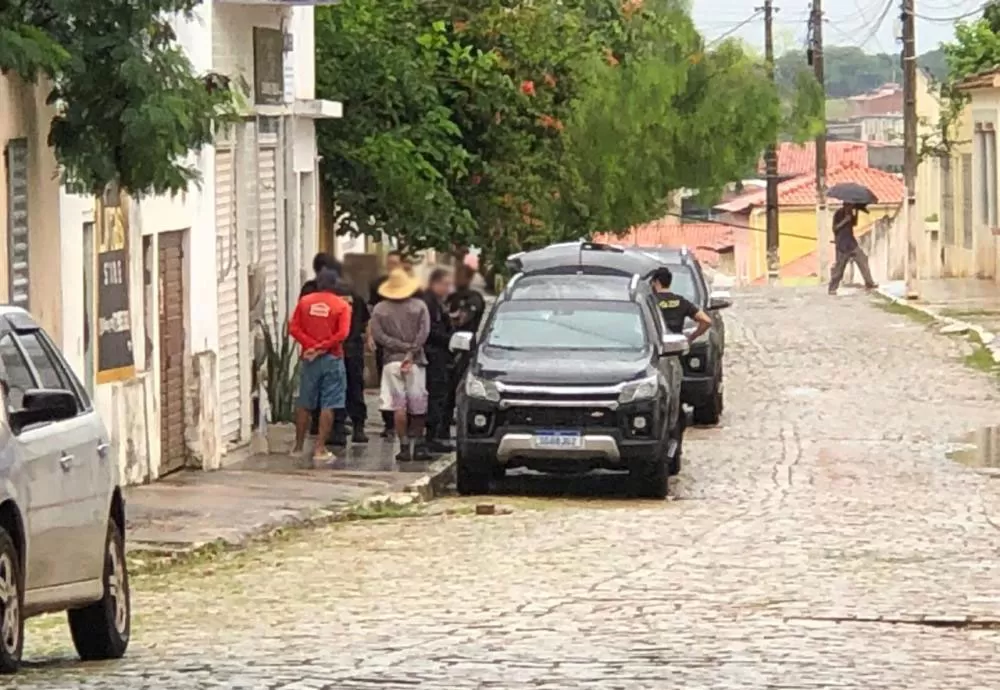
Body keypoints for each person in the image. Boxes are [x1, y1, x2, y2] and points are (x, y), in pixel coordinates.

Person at [288, 269, 352, 465]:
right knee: (328, 404)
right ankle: (320, 448)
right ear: (335, 285)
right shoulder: (342, 305)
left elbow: (293, 328)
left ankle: (298, 447)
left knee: (304, 402)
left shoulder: (304, 302)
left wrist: (311, 346)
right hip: (332, 358)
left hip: (309, 359)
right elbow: (342, 334)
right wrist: (322, 347)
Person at [370, 268, 432, 462]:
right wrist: (411, 350)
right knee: (418, 405)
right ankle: (419, 445)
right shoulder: (419, 306)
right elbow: (424, 332)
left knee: (398, 406)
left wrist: (397, 345)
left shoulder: (380, 309)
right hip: (415, 362)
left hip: (391, 362)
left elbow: (379, 336)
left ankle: (403, 446)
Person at [443, 264, 486, 434]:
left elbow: (466, 319)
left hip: (467, 349)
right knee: (446, 392)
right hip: (448, 347)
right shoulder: (451, 297)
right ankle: (443, 427)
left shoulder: (474, 298)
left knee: (461, 388)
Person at [369, 250, 404, 438]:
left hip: (406, 339)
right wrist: (370, 335)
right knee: (386, 380)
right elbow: (372, 311)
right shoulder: (379, 284)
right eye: (389, 264)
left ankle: (407, 421)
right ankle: (389, 423)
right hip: (384, 340)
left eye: (395, 264)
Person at [421, 268, 454, 453]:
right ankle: (431, 436)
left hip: (438, 354)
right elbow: (430, 331)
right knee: (435, 394)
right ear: (435, 283)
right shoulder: (429, 303)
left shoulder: (436, 302)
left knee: (439, 395)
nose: (448, 289)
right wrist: (450, 340)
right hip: (433, 354)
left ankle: (434, 435)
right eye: (445, 284)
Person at [829, 202, 878, 294]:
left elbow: (854, 224)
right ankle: (832, 288)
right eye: (850, 206)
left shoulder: (851, 213)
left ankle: (869, 282)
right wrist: (845, 220)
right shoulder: (839, 213)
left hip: (851, 243)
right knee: (840, 267)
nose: (851, 207)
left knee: (862, 259)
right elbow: (835, 228)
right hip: (842, 244)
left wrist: (856, 213)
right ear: (845, 205)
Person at [650, 267, 712, 339]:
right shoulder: (681, 301)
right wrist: (691, 337)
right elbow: (707, 321)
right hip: (677, 343)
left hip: (656, 343)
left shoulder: (650, 301)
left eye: (652, 282)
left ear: (657, 282)